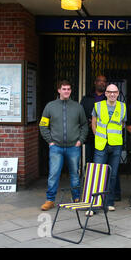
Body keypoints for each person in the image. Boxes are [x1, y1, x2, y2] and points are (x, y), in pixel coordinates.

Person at [39, 80, 88, 211]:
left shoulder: (77, 107)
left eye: (68, 89)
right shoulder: (50, 106)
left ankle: (76, 198)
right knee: (54, 174)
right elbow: (43, 125)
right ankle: (50, 200)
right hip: (56, 147)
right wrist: (50, 141)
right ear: (59, 90)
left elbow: (84, 125)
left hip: (74, 147)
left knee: (74, 174)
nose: (66, 91)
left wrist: (80, 140)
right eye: (64, 89)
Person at [91, 84, 126, 212]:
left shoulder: (123, 106)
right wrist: (98, 136)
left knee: (112, 175)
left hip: (116, 145)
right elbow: (93, 123)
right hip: (101, 145)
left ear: (118, 93)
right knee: (97, 174)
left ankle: (109, 202)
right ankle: (94, 204)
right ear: (105, 93)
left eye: (115, 92)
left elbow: (122, 124)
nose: (112, 94)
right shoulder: (98, 106)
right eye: (109, 92)